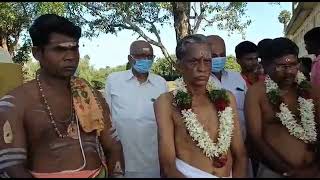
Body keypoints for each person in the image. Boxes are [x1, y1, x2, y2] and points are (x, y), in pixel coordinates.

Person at [0, 14, 125, 178]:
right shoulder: (15, 103)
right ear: (37, 53)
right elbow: (11, 166)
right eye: (60, 49)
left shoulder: (91, 96)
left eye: (74, 48)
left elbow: (114, 147)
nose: (71, 57)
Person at [154, 34, 247, 178]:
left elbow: (240, 154)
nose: (202, 68)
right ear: (179, 66)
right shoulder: (166, 103)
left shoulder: (227, 97)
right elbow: (168, 165)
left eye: (207, 61)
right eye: (194, 61)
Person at [245, 37, 320, 178]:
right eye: (282, 66)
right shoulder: (257, 93)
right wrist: (287, 172)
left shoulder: (311, 90)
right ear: (267, 65)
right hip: (274, 172)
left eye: (293, 65)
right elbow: (255, 137)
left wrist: (315, 169)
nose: (289, 71)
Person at [105, 40, 168, 178]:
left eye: (149, 56)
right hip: (122, 160)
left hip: (152, 162)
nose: (145, 60)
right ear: (130, 58)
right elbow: (106, 120)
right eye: (140, 56)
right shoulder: (114, 80)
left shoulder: (161, 83)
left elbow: (166, 124)